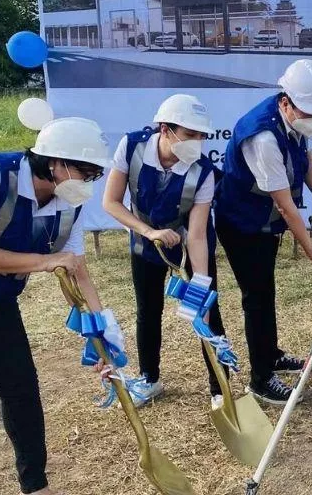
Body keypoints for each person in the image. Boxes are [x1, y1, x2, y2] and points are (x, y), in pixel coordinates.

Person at [0, 117, 110, 495]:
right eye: (84, 171)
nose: (88, 182)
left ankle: (36, 485)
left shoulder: (68, 203)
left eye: (94, 174)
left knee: (20, 388)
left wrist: (102, 336)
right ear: (54, 162)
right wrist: (42, 261)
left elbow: (76, 270)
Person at [213, 59, 312, 405]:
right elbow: (284, 206)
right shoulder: (263, 136)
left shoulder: (292, 120)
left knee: (266, 292)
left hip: (265, 223)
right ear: (286, 102)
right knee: (256, 297)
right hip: (241, 223)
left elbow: (306, 159)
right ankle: (260, 379)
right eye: (309, 111)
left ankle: (271, 354)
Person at [102, 93, 227, 409]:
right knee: (148, 310)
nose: (197, 142)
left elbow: (196, 236)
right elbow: (111, 202)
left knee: (208, 313)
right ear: (164, 129)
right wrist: (148, 232)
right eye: (190, 134)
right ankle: (149, 379)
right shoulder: (132, 147)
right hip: (145, 242)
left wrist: (200, 284)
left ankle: (220, 390)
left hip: (189, 244)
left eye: (201, 136)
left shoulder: (203, 172)